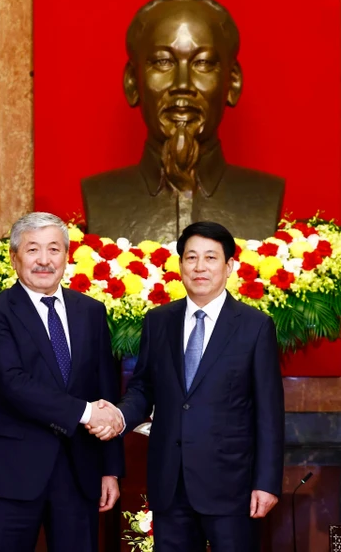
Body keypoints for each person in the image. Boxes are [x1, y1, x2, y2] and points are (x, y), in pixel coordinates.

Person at [90, 221, 285, 551]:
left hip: (232, 485)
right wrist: (119, 417)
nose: (200, 266)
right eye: (191, 257)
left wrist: (267, 483)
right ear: (180, 265)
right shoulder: (158, 320)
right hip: (170, 483)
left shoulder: (254, 326)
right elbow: (143, 388)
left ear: (229, 266)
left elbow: (269, 412)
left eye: (210, 257)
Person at [0, 212, 125, 552]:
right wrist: (86, 413)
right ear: (15, 257)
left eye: (54, 249)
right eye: (33, 250)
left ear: (66, 256)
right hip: (13, 473)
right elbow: (12, 383)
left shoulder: (91, 311)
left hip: (79, 473)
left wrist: (110, 469)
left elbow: (105, 390)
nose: (44, 260)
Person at [81, 0, 284, 243]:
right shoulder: (100, 196)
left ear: (232, 83)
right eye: (163, 62)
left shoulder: (265, 195)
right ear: (132, 83)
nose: (182, 84)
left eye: (203, 63)